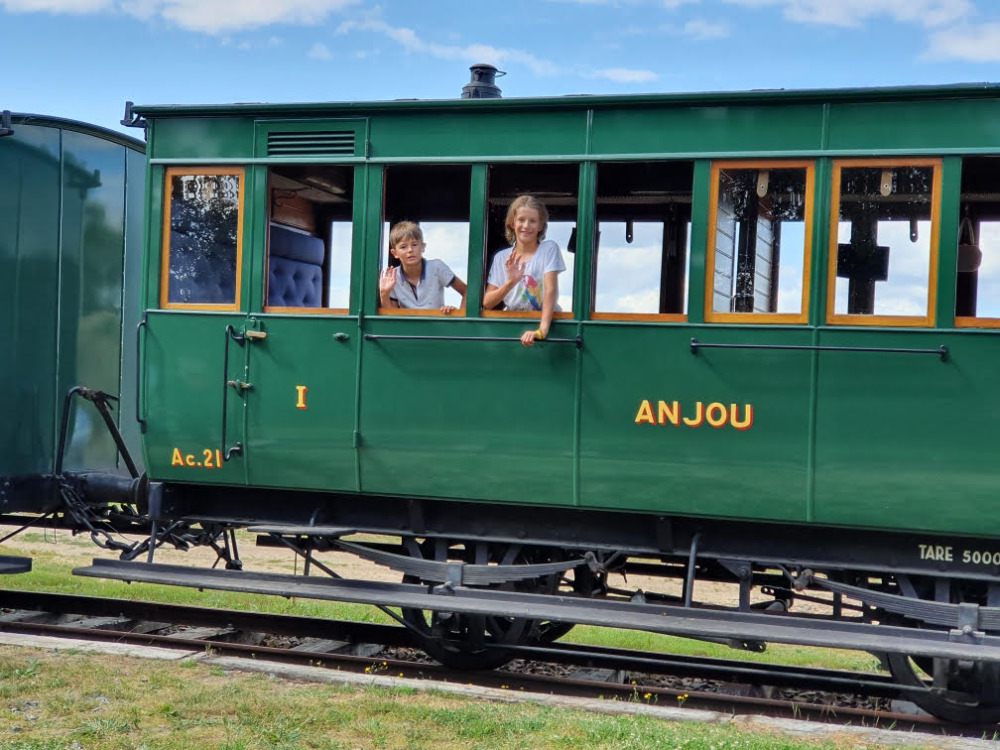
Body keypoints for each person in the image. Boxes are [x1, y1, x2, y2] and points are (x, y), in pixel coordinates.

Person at [483, 195, 565, 346]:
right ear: (512, 223)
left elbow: (550, 291)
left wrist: (542, 330)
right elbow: (487, 302)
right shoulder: (501, 258)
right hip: (514, 325)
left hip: (547, 324)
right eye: (521, 220)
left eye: (533, 221)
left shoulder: (549, 249)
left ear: (541, 225)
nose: (526, 226)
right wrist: (510, 283)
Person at [379, 221, 467, 314]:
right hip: (408, 327)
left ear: (423, 247)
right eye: (403, 247)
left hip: (437, 326)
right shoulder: (392, 277)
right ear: (395, 253)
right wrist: (384, 293)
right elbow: (392, 316)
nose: (410, 250)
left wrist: (458, 316)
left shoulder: (437, 267)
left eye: (414, 245)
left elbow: (466, 291)